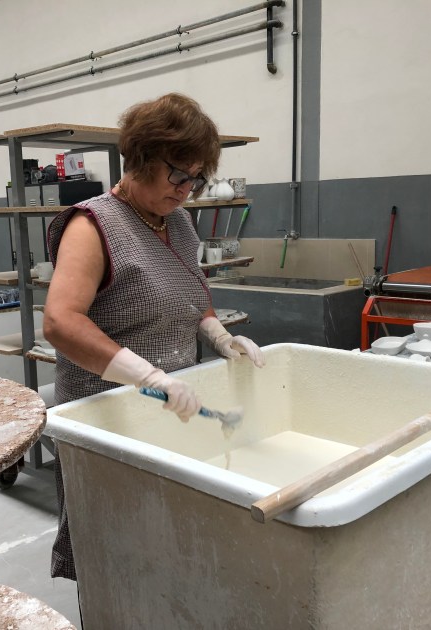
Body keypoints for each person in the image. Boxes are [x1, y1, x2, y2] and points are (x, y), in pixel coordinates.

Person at [43, 92, 265, 581]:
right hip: (109, 409)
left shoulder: (178, 222)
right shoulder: (91, 225)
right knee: (113, 549)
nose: (187, 189)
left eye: (197, 179)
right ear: (140, 158)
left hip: (172, 406)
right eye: (178, 174)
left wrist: (219, 335)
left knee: (167, 546)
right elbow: (60, 322)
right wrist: (147, 376)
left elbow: (189, 291)